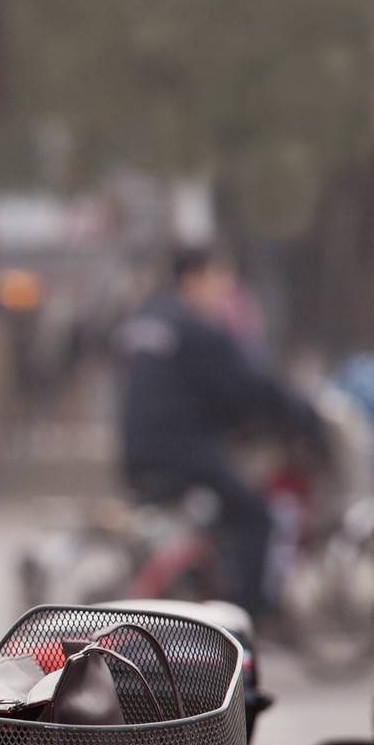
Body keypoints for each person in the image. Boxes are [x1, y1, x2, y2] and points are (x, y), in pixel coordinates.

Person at [115, 246, 317, 618]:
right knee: (257, 516)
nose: (227, 288)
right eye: (221, 277)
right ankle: (246, 616)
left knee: (219, 513)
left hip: (138, 450)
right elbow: (244, 388)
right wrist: (301, 415)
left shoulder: (148, 318)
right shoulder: (196, 327)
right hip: (182, 451)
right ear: (194, 278)